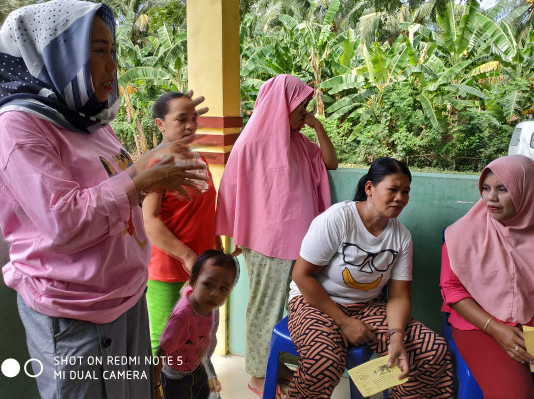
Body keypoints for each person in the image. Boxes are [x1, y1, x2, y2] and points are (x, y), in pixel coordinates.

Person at [0, 0, 208, 398]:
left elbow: (118, 182)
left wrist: (159, 163)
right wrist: (141, 181)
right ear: (58, 51)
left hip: (125, 299)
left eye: (113, 51)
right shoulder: (17, 127)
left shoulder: (88, 120)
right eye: (99, 50)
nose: (113, 64)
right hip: (75, 312)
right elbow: (65, 221)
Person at [288, 157, 454, 399]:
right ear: (369, 188)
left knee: (431, 350)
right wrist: (343, 321)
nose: (400, 198)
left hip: (366, 307)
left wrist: (397, 336)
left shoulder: (401, 237)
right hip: (315, 302)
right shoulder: (338, 219)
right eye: (393, 189)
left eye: (405, 191)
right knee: (324, 361)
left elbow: (398, 296)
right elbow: (301, 276)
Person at [216, 74, 338, 397]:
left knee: (292, 309)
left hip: (301, 244)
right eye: (301, 106)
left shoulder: (298, 140)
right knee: (265, 307)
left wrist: (316, 125)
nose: (304, 111)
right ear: (282, 104)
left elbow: (331, 161)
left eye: (307, 106)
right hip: (267, 244)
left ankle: (273, 365)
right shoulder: (252, 142)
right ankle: (258, 375)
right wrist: (236, 235)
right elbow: (233, 191)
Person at [440, 154, 534, 398]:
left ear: (525, 192)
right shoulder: (461, 235)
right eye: (486, 188)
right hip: (480, 328)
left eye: (502, 189)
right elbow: (452, 290)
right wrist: (496, 329)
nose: (490, 198)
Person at [143, 91, 223, 395]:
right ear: (161, 124)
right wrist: (187, 255)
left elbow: (203, 215)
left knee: (198, 337)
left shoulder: (197, 158)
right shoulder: (157, 163)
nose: (191, 124)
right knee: (163, 342)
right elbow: (150, 222)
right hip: (169, 271)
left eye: (194, 118)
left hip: (200, 270)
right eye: (181, 119)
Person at [153, 250, 239, 399]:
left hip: (197, 367)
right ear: (193, 281)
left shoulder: (207, 303)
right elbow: (161, 354)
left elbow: (184, 290)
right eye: (208, 284)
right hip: (177, 378)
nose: (215, 294)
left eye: (223, 288)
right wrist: (155, 387)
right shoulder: (181, 319)